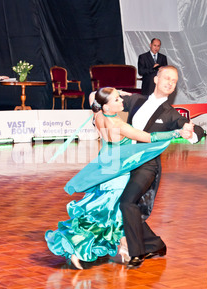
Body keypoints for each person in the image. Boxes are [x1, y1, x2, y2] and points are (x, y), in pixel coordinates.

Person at [45, 87, 193, 270]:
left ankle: (124, 246)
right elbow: (149, 137)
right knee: (108, 216)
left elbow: (93, 96)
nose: (122, 101)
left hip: (103, 169)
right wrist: (176, 133)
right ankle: (79, 249)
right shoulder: (119, 126)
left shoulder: (98, 116)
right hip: (117, 174)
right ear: (106, 107)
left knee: (106, 213)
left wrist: (117, 92)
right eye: (117, 100)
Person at [120, 65, 205, 268]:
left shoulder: (170, 113)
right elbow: (107, 100)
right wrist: (98, 96)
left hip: (147, 166)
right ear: (156, 79)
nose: (169, 83)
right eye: (166, 78)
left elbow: (199, 131)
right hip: (125, 162)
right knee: (125, 207)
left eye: (174, 81)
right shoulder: (136, 100)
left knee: (126, 202)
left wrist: (190, 133)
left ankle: (136, 252)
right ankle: (155, 244)